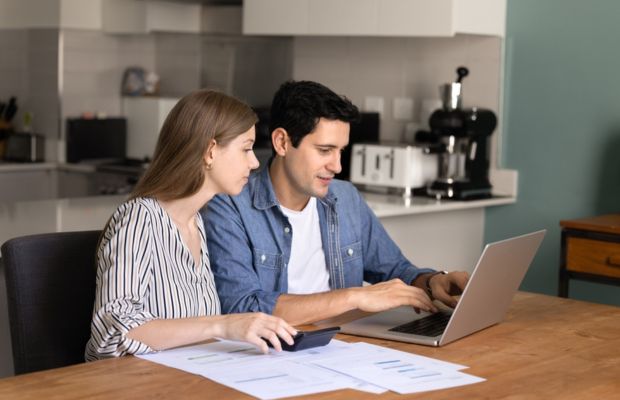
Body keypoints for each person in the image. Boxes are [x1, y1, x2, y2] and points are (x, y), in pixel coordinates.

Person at [203, 80, 469, 326]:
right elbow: (242, 307)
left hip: (343, 348)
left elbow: (396, 270)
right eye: (325, 150)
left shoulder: (345, 197)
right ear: (282, 142)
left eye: (341, 151)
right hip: (273, 356)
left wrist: (434, 281)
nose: (337, 166)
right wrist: (353, 298)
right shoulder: (228, 207)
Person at [85, 89, 297, 361]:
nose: (255, 162)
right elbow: (112, 335)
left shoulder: (196, 222)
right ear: (210, 151)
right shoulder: (139, 219)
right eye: (246, 148)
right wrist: (224, 325)